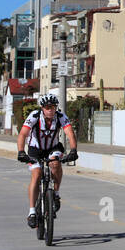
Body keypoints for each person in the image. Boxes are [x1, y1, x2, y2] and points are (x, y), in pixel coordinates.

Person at [16, 93, 78, 230]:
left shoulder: (61, 117)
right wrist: (21, 151)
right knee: (37, 174)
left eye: (53, 107)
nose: (50, 110)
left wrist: (73, 150)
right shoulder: (34, 116)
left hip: (52, 148)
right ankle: (32, 212)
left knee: (55, 164)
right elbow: (23, 134)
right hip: (35, 149)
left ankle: (55, 194)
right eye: (47, 107)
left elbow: (70, 133)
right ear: (42, 108)